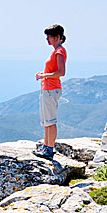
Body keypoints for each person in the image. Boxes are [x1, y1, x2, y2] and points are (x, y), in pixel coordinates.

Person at [34, 24, 67, 160]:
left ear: (57, 37)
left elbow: (61, 72)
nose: (47, 39)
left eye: (49, 36)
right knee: (46, 121)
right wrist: (44, 74)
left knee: (50, 121)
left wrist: (44, 76)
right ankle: (46, 147)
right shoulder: (55, 51)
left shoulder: (59, 51)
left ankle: (49, 149)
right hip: (48, 89)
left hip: (51, 89)